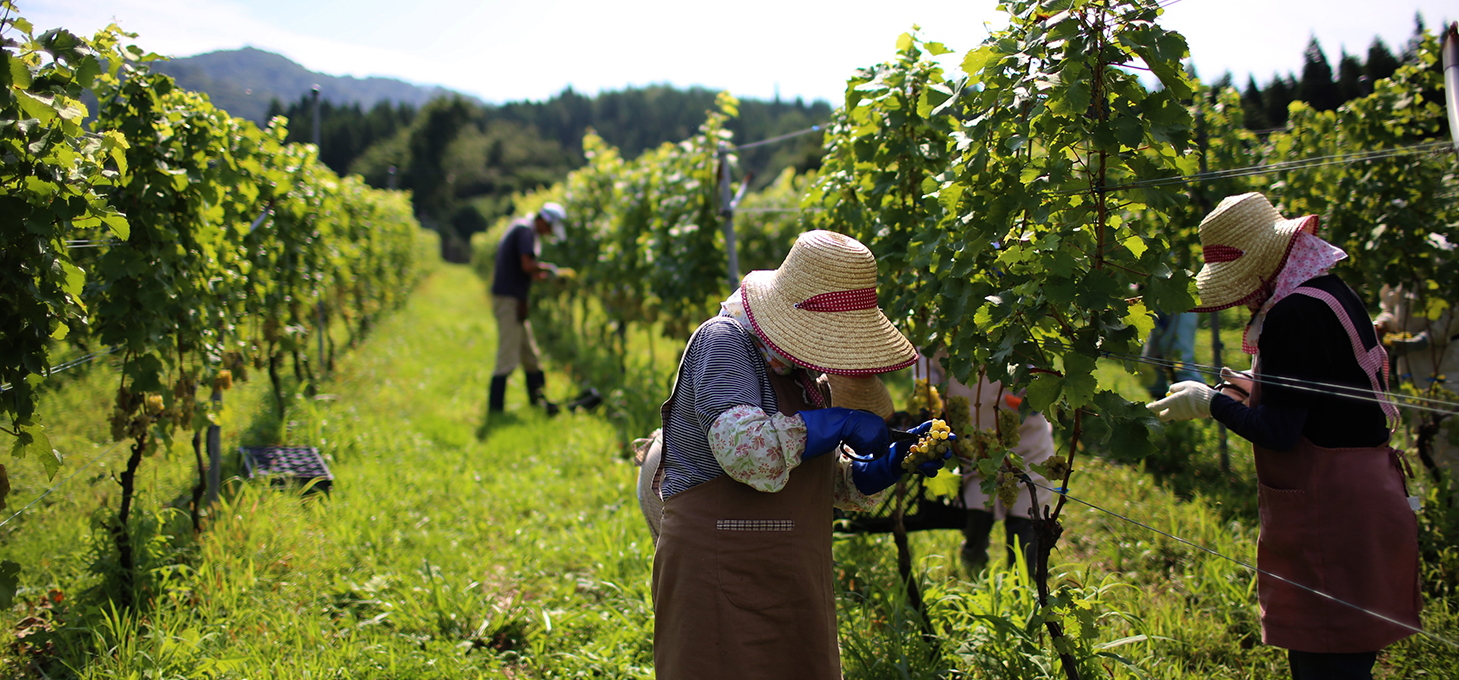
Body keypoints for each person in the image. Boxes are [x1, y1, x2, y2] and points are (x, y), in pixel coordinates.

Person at [1146, 192, 1421, 680]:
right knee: (1347, 655)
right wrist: (1236, 391)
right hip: (1367, 493)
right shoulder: (1330, 291)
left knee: (1327, 663)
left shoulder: (1292, 316)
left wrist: (1212, 404)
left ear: (1261, 265)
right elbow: (1320, 395)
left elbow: (1278, 430)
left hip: (1330, 514)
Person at [652, 230, 949, 680]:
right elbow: (747, 452)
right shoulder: (725, 343)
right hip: (718, 569)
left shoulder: (804, 375)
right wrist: (840, 423)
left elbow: (822, 479)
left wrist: (888, 464)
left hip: (792, 575)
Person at [918, 351, 1057, 575]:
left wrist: (1030, 389)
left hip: (1024, 437)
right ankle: (973, 572)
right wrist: (930, 397)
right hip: (973, 437)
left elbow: (1039, 368)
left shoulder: (1014, 321)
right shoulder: (941, 328)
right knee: (977, 503)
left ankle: (1028, 583)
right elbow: (925, 363)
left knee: (1028, 507)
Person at [488, 203, 566, 415]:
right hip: (508, 300)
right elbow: (526, 265)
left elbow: (523, 270)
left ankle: (538, 403)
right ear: (543, 221)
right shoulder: (526, 231)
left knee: (531, 355)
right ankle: (495, 411)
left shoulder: (524, 229)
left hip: (515, 300)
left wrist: (539, 275)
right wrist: (549, 269)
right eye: (549, 229)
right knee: (507, 357)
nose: (548, 233)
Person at [1374, 284, 1459, 478]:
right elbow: (1390, 306)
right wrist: (1383, 324)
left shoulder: (1445, 263)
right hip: (1411, 364)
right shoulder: (1402, 269)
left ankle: (1453, 494)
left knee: (1448, 425)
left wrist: (1424, 340)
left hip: (1446, 359)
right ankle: (1426, 486)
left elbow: (1452, 316)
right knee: (1417, 426)